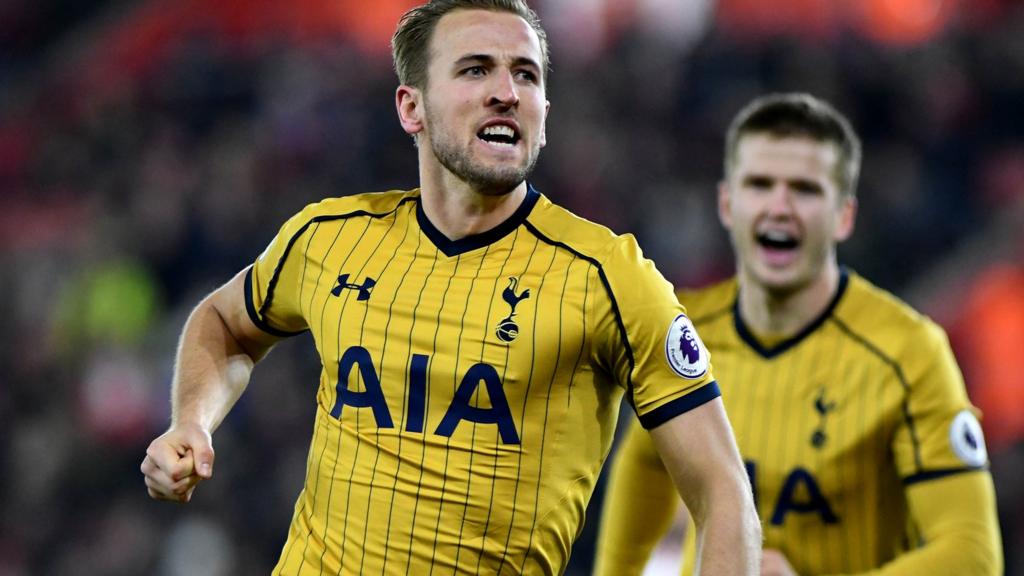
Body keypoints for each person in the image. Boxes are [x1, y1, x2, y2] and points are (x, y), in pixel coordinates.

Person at [139, 1, 761, 574]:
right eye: (475, 71)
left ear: (545, 116)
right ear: (412, 108)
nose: (506, 93)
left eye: (526, 75)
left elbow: (723, 494)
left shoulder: (608, 279)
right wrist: (191, 423)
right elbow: (223, 324)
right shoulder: (328, 239)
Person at [594, 93, 1004, 575]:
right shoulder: (683, 333)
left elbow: (972, 553)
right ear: (727, 203)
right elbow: (644, 470)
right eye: (760, 185)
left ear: (844, 215)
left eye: (805, 190)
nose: (780, 207)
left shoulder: (909, 352)